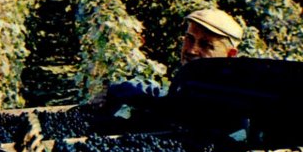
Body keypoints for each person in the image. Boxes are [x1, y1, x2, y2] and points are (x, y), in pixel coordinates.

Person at [102, 8, 243, 106]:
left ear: (230, 55)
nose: (192, 50)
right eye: (190, 38)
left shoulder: (231, 100)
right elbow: (169, 102)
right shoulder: (187, 83)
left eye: (206, 45)